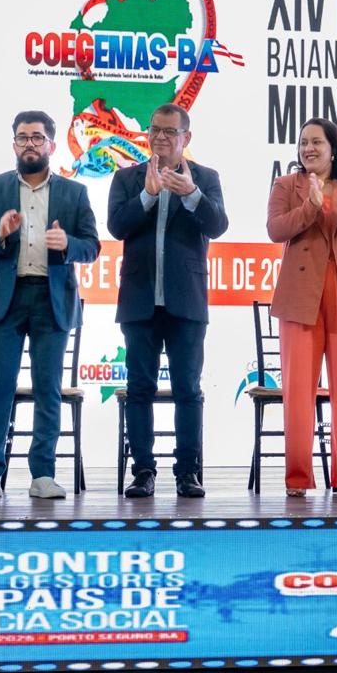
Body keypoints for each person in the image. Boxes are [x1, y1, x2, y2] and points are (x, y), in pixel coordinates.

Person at [0, 110, 100, 500]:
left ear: (51, 145)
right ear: (14, 144)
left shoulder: (74, 192)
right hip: (6, 299)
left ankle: (43, 474)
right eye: (23, 137)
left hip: (52, 299)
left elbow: (92, 247)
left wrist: (68, 245)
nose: (30, 144)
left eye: (37, 137)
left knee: (47, 389)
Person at [107, 103, 228, 498]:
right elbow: (117, 226)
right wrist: (147, 195)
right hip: (139, 299)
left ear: (185, 137)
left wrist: (191, 194)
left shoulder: (205, 178)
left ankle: (187, 472)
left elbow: (218, 225)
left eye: (169, 131)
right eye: (155, 130)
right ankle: (143, 471)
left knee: (187, 390)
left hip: (186, 301)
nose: (160, 137)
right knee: (139, 388)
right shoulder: (127, 178)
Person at [267, 118, 337, 496]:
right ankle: (298, 477)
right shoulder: (287, 185)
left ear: (334, 148)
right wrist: (310, 207)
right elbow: (276, 229)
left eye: (316, 142)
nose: (308, 149)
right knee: (298, 390)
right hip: (300, 296)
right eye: (303, 142)